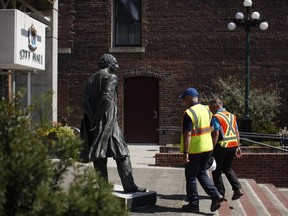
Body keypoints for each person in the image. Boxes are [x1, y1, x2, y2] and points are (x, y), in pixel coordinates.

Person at [79, 54, 146, 193]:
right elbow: (106, 98)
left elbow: (84, 101)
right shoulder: (111, 77)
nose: (117, 65)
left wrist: (92, 118)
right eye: (115, 62)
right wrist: (97, 118)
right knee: (122, 153)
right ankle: (129, 186)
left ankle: (103, 188)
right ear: (108, 63)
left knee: (99, 155)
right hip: (107, 122)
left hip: (92, 122)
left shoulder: (91, 79)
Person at [179, 87, 223, 213]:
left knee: (191, 177)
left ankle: (193, 204)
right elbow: (213, 129)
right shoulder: (207, 110)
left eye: (183, 99)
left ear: (188, 98)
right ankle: (216, 195)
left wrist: (185, 152)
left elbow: (187, 134)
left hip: (194, 149)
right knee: (201, 173)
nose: (183, 102)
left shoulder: (189, 113)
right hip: (207, 147)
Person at [208, 98, 243, 200]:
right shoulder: (232, 116)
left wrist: (211, 149)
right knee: (227, 168)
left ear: (216, 105)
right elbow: (237, 131)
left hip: (221, 146)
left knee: (216, 170)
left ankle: (220, 194)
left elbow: (216, 134)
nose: (210, 110)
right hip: (232, 146)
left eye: (211, 108)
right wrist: (238, 146)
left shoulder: (216, 117)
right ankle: (237, 189)